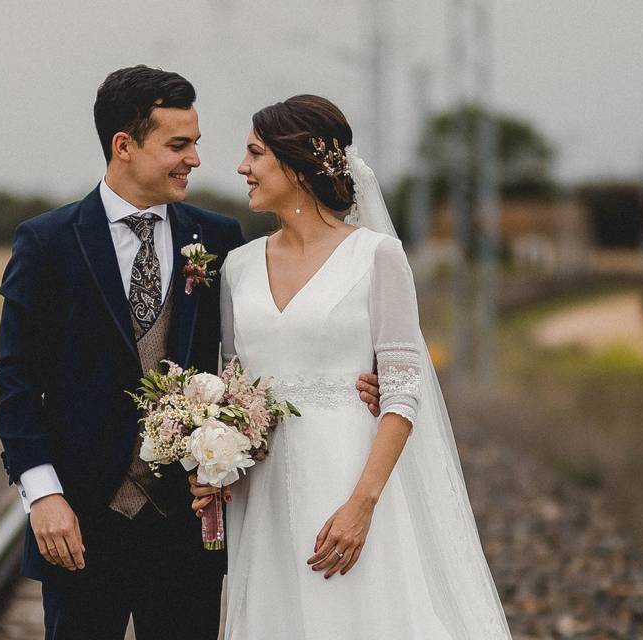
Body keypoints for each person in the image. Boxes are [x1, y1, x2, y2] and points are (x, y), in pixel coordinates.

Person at [0, 68, 382, 640]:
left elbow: (264, 342)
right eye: (179, 145)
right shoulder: (47, 242)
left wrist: (360, 376)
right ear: (124, 146)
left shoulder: (220, 238)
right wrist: (44, 494)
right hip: (79, 522)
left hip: (189, 522)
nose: (195, 159)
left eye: (195, 142)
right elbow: (17, 380)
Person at [191, 95, 512, 639]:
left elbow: (403, 389)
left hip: (348, 474)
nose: (242, 168)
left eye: (255, 154)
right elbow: (230, 386)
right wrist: (211, 462)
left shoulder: (376, 256)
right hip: (262, 489)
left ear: (298, 162)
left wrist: (362, 504)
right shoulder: (239, 268)